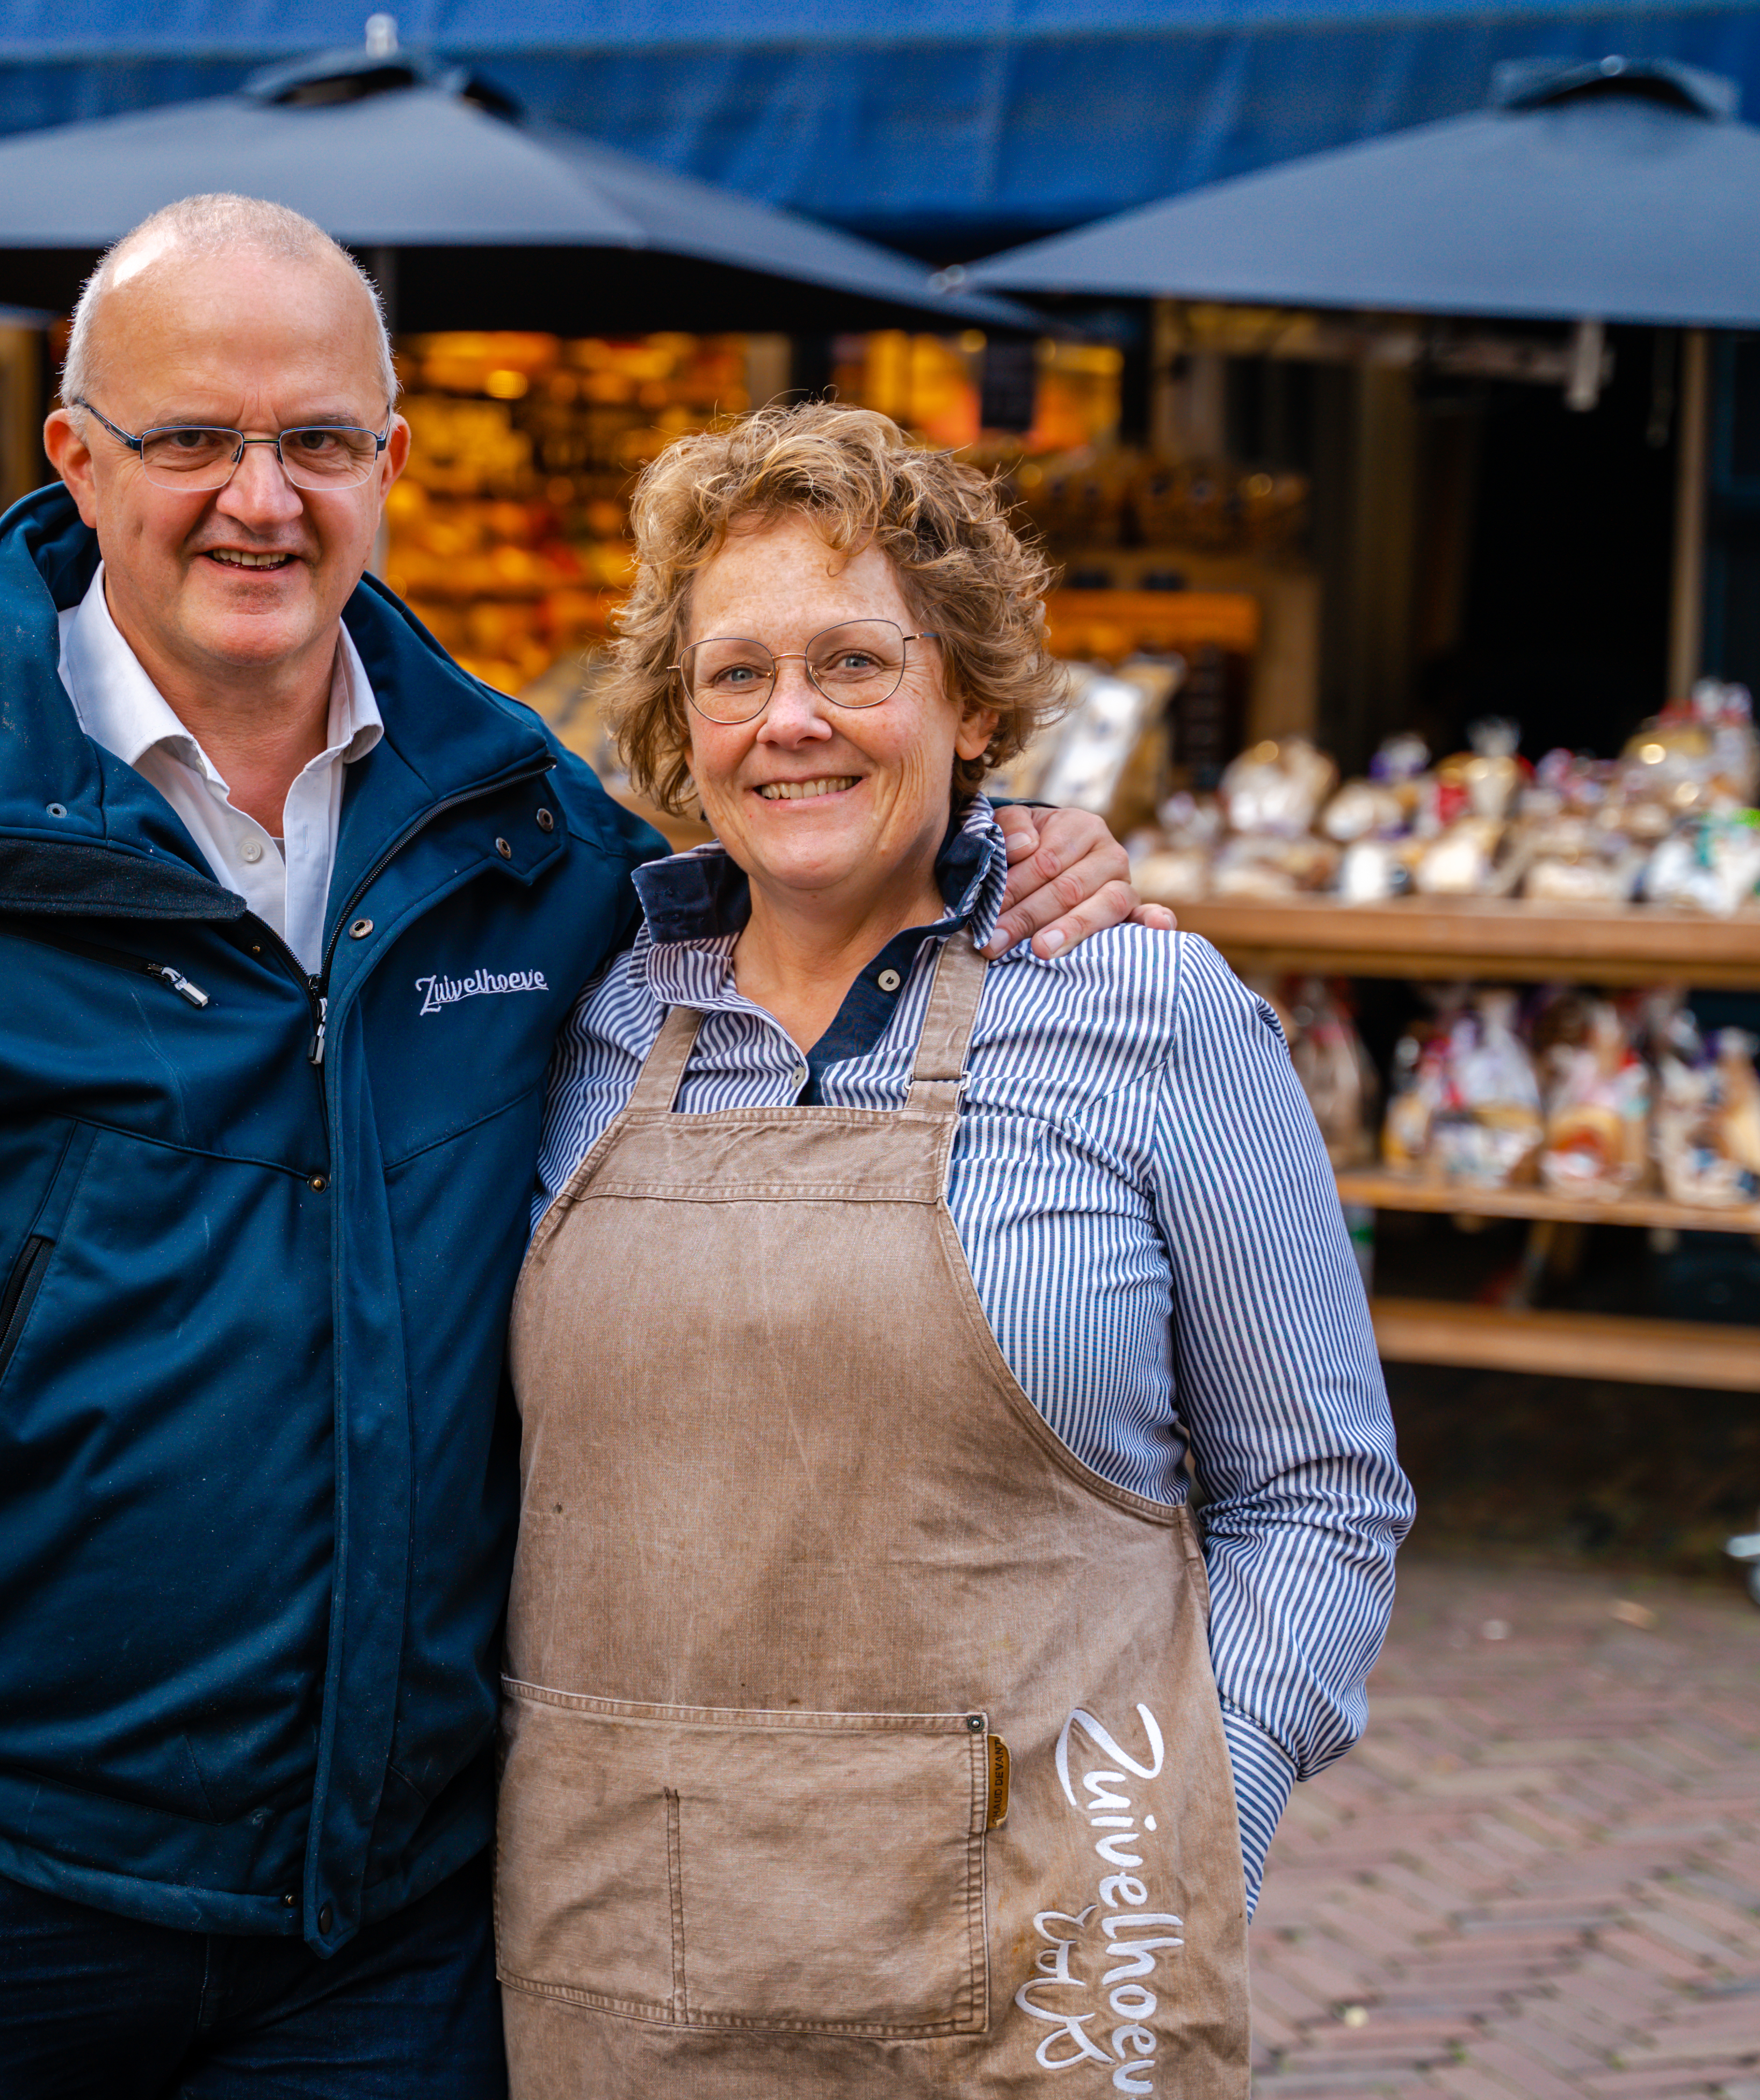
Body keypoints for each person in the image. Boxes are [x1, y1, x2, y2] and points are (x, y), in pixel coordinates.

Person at [0, 196, 1147, 2098]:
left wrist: (1002, 851)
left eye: (312, 440)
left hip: (387, 1937)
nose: (257, 499)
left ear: (392, 459)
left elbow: (795, 897)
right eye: (192, 439)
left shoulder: (523, 836)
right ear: (75, 459)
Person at [500, 402, 1413, 2095]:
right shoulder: (574, 1019)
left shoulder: (1144, 1007)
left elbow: (1321, 1493)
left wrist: (1189, 1812)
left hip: (1046, 1963)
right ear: (679, 729)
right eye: (735, 676)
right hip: (620, 1953)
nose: (792, 725)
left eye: (856, 664)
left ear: (972, 699)